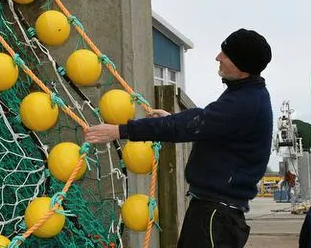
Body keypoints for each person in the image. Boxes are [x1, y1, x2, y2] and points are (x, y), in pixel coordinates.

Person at [85, 28, 273, 248]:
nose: (218, 57)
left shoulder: (246, 102)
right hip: (211, 210)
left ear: (243, 66)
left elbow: (194, 123)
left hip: (216, 216)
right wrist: (173, 118)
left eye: (226, 54)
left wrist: (120, 131)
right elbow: (208, 124)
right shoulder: (244, 94)